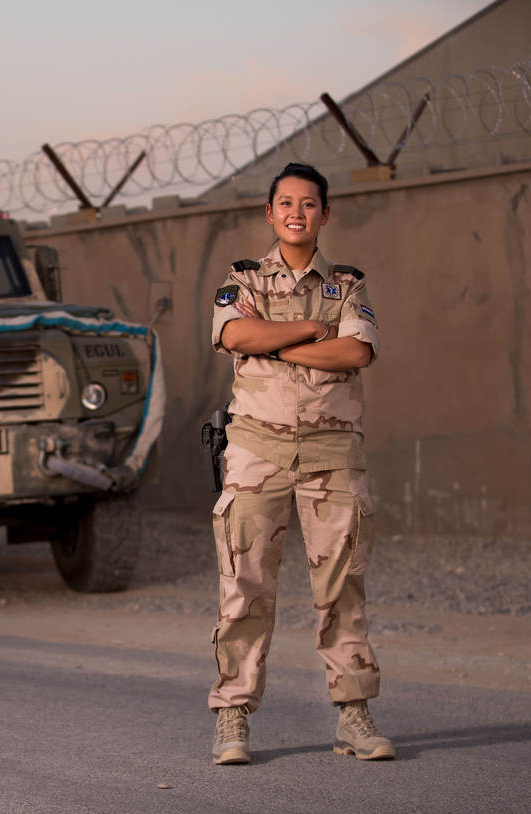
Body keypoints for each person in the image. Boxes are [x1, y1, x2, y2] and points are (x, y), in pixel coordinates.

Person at [207, 162, 393, 765]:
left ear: (324, 214)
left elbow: (356, 351)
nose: (296, 212)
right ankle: (233, 715)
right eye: (285, 203)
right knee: (245, 585)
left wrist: (278, 340)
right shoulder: (243, 278)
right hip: (256, 449)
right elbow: (235, 336)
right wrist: (311, 330)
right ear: (270, 213)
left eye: (308, 203)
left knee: (342, 587)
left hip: (332, 453)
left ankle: (354, 716)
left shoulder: (348, 285)